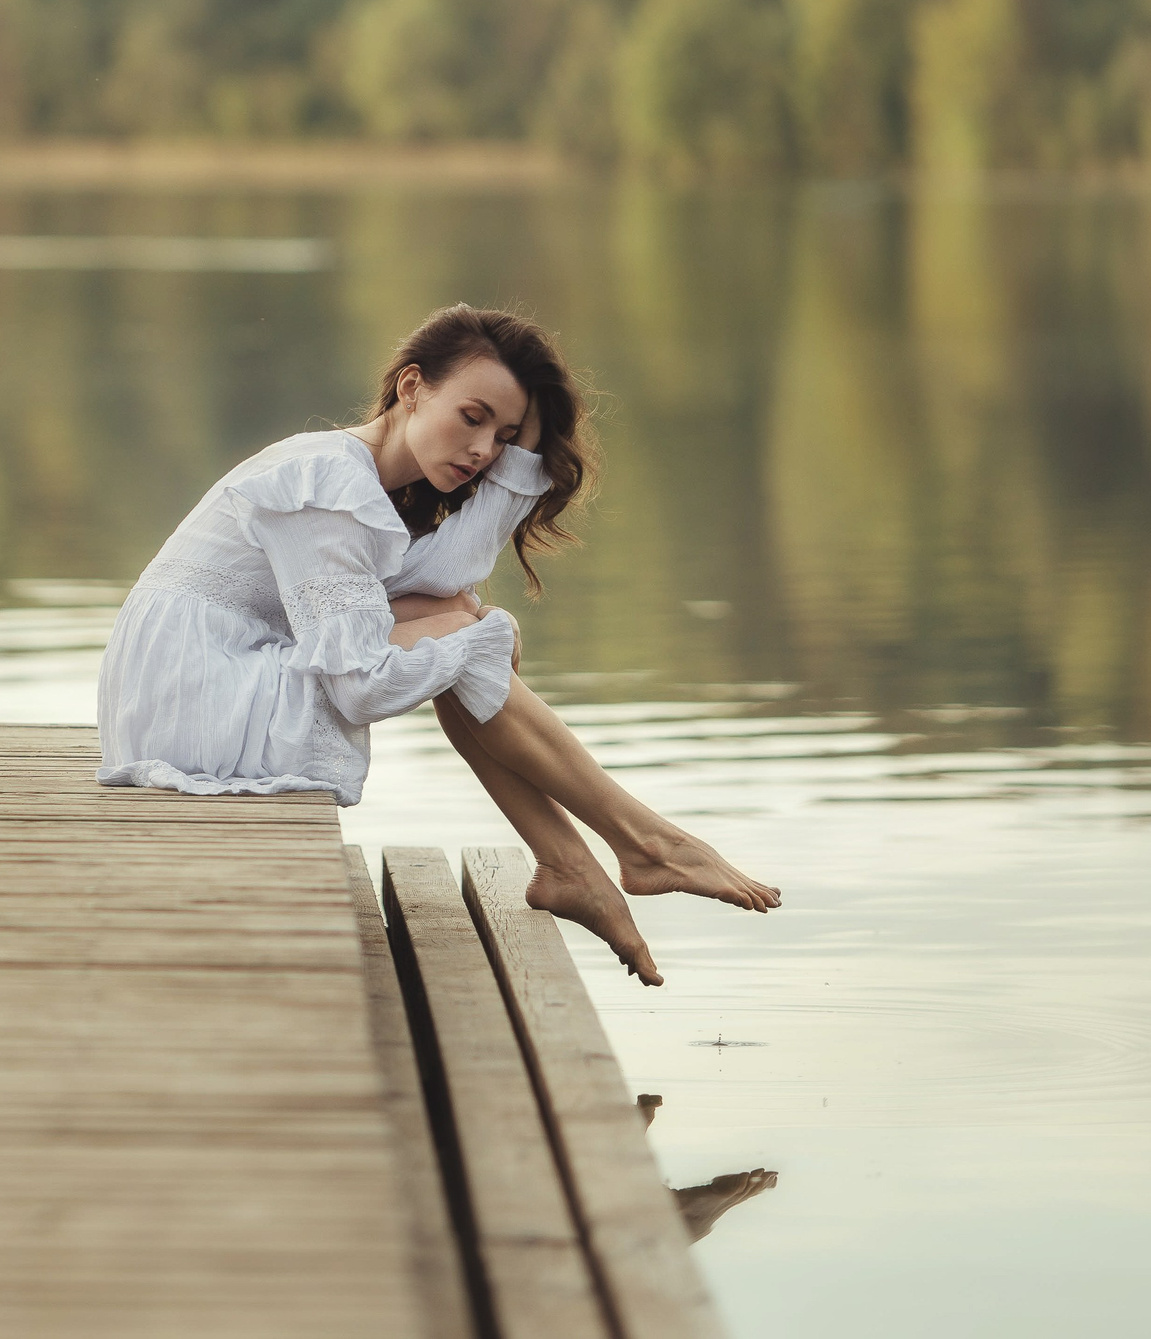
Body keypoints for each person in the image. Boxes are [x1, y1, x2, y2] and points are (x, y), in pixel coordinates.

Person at [97, 304, 778, 983]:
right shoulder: (333, 484)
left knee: (457, 614)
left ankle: (582, 862)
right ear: (413, 387)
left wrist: (522, 466)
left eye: (504, 438)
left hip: (189, 688)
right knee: (464, 627)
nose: (483, 451)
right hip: (197, 703)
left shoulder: (359, 476)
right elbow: (357, 683)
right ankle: (642, 841)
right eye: (472, 417)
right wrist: (476, 636)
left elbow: (442, 581)